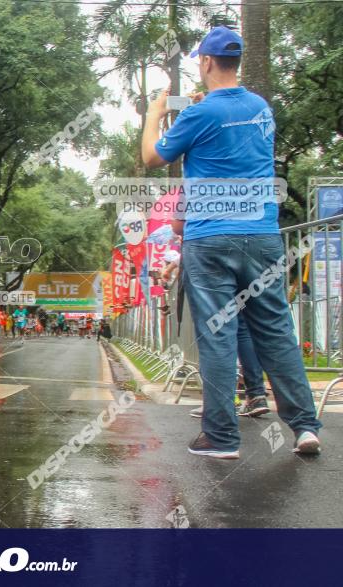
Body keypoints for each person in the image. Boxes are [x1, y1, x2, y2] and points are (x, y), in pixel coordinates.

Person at [141, 26, 321, 457]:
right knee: (277, 330)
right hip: (261, 234)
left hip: (210, 238)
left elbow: (151, 157)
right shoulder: (261, 108)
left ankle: (220, 439)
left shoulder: (197, 114)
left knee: (218, 334)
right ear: (236, 61)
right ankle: (305, 427)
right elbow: (231, 132)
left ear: (205, 62)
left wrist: (154, 115)